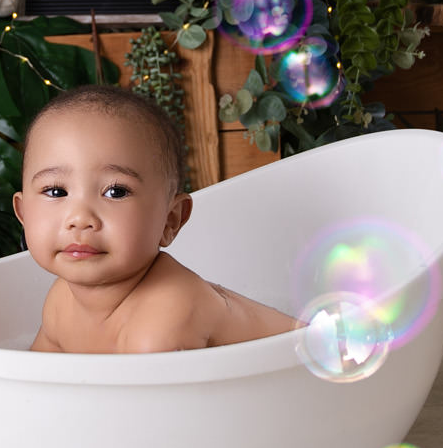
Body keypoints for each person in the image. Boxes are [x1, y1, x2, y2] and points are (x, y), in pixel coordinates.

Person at [18, 86, 298, 353]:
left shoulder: (164, 319)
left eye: (116, 192)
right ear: (23, 213)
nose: (79, 218)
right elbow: (29, 383)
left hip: (309, 370)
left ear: (171, 220)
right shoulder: (60, 302)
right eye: (56, 191)